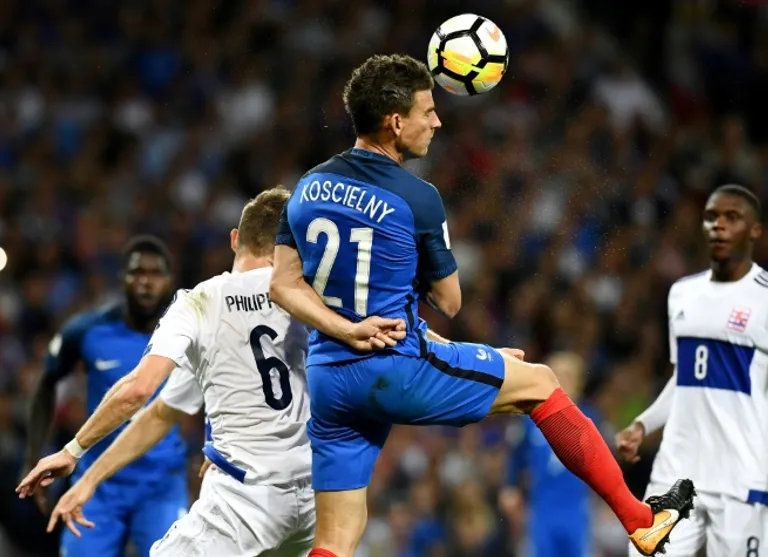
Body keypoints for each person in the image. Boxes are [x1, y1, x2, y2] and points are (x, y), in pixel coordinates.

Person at [268, 53, 695, 557]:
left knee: (336, 538)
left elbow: (283, 285)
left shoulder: (308, 187)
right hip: (392, 367)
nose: (437, 122)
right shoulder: (417, 197)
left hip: (329, 378)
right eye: (428, 111)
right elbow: (449, 300)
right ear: (395, 121)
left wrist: (344, 330)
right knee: (541, 384)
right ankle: (641, 521)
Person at [17, 189, 406, 555]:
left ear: (235, 239)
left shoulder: (202, 304)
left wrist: (73, 451)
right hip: (314, 499)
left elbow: (140, 392)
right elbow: (163, 412)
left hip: (245, 501)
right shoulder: (317, 301)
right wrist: (91, 480)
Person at [617, 184, 768, 557]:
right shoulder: (682, 294)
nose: (719, 225)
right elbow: (684, 381)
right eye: (712, 217)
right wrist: (643, 424)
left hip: (740, 474)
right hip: (677, 470)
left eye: (732, 217)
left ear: (754, 230)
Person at [20, 235, 187, 557]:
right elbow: (46, 383)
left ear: (169, 280)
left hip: (161, 483)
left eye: (155, 273)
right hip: (98, 484)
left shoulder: (186, 332)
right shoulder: (87, 330)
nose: (145, 282)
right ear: (123, 277)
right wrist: (32, 457)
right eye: (137, 272)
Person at [504, 352, 599, 557]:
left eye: (567, 376)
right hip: (542, 509)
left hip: (576, 509)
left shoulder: (590, 418)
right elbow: (516, 455)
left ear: (579, 383)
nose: (561, 381)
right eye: (556, 375)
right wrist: (510, 487)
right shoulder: (530, 419)